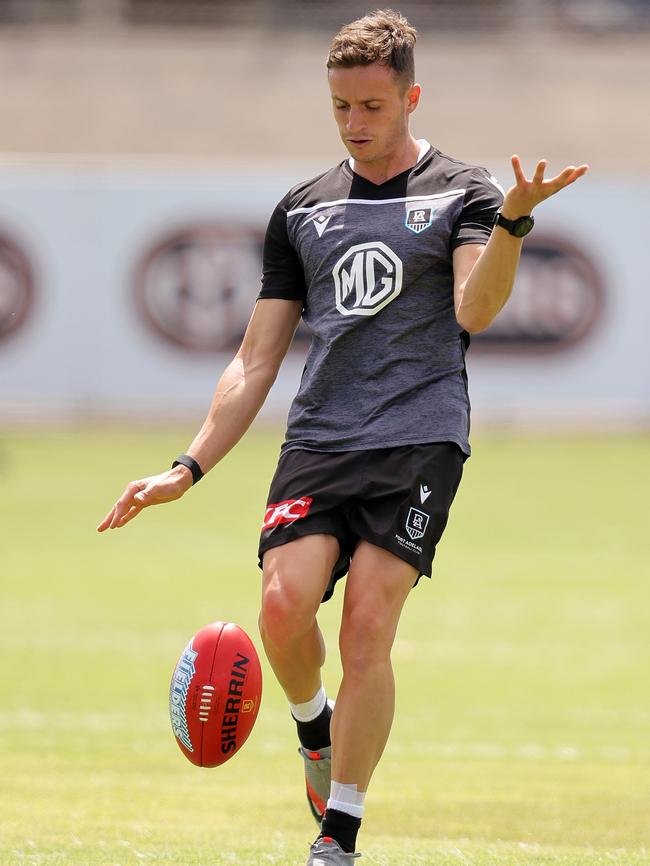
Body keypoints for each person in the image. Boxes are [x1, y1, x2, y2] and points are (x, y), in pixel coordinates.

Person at [98, 10, 588, 865]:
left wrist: (511, 223)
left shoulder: (463, 192)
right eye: (340, 108)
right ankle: (313, 727)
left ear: (410, 96)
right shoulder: (302, 209)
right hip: (322, 435)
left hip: (421, 437)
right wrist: (188, 467)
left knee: (367, 622)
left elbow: (475, 311)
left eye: (370, 105)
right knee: (283, 612)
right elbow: (255, 359)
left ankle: (340, 835)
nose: (355, 124)